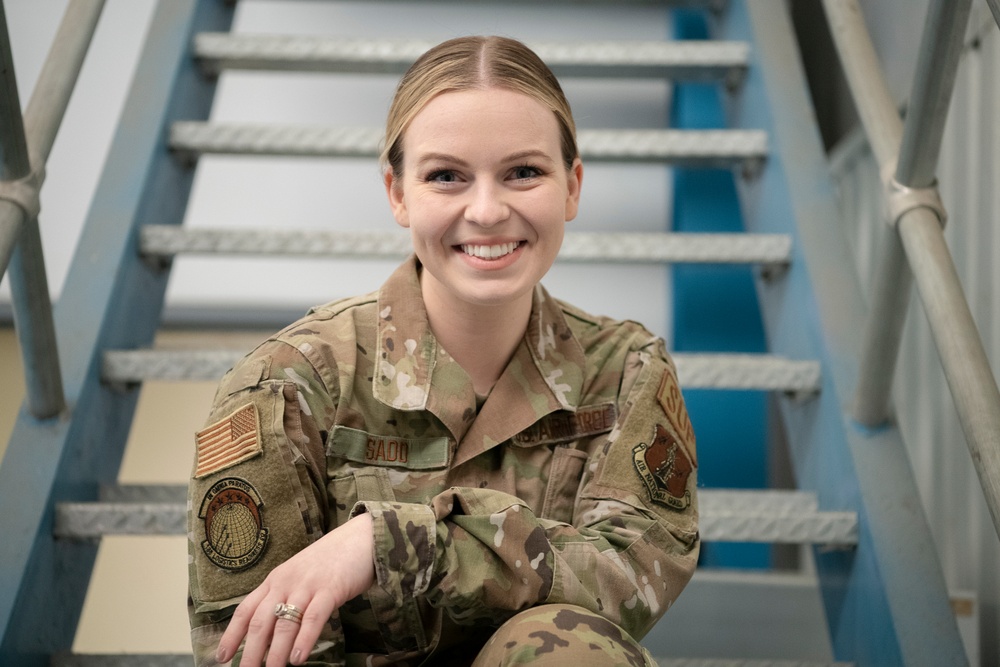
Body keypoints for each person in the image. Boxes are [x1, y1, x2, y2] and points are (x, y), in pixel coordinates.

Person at [187, 35, 699, 667]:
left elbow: (633, 577)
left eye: (523, 172)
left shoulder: (625, 371)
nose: (486, 210)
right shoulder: (289, 383)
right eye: (446, 176)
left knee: (571, 648)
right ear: (398, 193)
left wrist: (395, 543)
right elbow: (254, 645)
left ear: (572, 186)